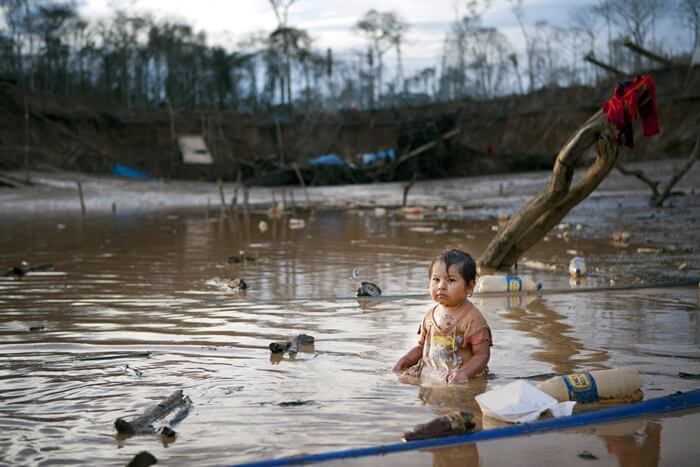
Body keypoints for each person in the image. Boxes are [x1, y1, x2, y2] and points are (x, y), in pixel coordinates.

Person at [393, 249, 492, 384]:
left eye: (450, 280)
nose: (441, 286)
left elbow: (482, 355)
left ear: (469, 286)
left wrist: (463, 373)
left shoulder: (472, 319)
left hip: (460, 379)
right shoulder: (430, 316)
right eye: (436, 279)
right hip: (432, 375)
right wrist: (405, 360)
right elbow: (422, 348)